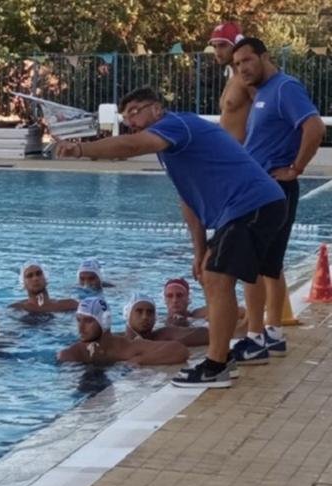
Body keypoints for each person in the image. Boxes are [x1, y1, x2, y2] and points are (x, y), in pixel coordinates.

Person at [56, 86, 286, 388]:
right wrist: (199, 250)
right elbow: (188, 201)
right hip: (252, 207)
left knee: (218, 279)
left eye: (135, 112)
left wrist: (81, 149)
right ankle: (232, 355)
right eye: (126, 118)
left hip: (251, 204)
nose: (132, 122)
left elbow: (130, 146)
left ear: (156, 108)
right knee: (215, 276)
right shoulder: (170, 150)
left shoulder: (176, 125)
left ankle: (217, 365)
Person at [233, 37, 326, 359]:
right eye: (237, 65)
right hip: (263, 188)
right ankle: (272, 333)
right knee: (270, 265)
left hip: (270, 189)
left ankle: (255, 337)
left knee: (251, 264)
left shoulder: (285, 88)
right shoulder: (264, 92)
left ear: (265, 56)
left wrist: (296, 168)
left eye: (247, 60)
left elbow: (314, 127)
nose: (242, 69)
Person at [57, 297, 189, 366]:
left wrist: (139, 360)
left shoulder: (126, 346)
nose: (80, 328)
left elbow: (180, 351)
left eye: (88, 321)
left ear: (104, 322)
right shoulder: (71, 354)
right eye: (79, 320)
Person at [209, 21, 252, 142]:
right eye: (214, 47)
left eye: (223, 46)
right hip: (227, 150)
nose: (217, 52)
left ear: (238, 45)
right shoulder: (233, 77)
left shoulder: (248, 79)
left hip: (243, 150)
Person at [122, 292, 209, 347]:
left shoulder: (163, 334)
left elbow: (205, 334)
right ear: (128, 315)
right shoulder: (119, 343)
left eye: (150, 312)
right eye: (139, 312)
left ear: (155, 317)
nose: (145, 317)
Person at [10, 261, 78, 313]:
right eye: (29, 276)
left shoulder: (70, 305)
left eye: (39, 274)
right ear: (23, 284)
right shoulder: (17, 309)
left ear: (46, 278)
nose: (35, 278)